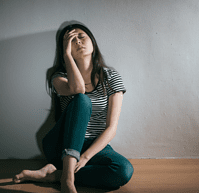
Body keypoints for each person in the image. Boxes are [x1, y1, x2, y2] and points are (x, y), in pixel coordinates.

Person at [13, 23, 134, 193]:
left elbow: (111, 128)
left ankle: (54, 175)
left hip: (92, 144)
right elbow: (79, 90)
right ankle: (68, 180)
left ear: (93, 41)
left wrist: (85, 157)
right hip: (60, 143)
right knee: (82, 100)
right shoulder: (58, 77)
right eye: (70, 40)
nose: (77, 42)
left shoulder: (111, 77)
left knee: (123, 171)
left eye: (81, 36)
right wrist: (67, 56)